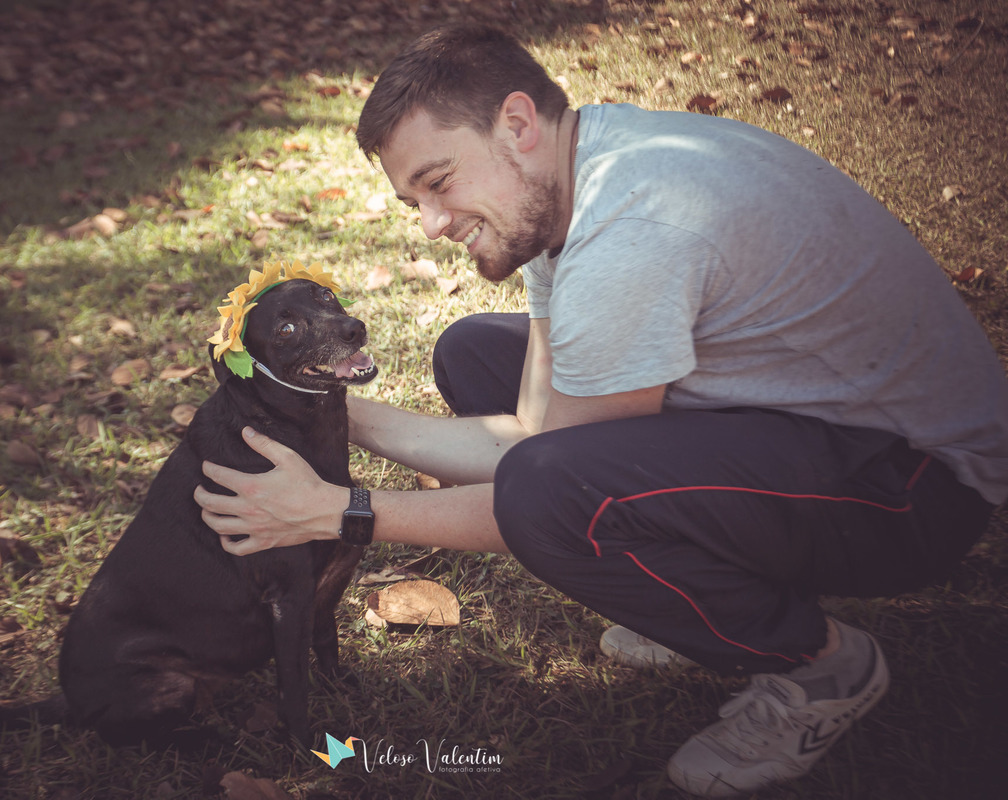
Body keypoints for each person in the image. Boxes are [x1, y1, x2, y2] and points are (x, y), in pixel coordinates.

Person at [193, 24, 1008, 797]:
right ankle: (699, 587)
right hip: (823, 428)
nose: (434, 224)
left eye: (438, 183)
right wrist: (323, 405)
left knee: (557, 494)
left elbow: (541, 493)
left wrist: (339, 513)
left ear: (516, 122)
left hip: (918, 492)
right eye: (415, 204)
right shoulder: (577, 171)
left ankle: (821, 668)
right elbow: (532, 435)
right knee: (474, 351)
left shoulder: (633, 233)